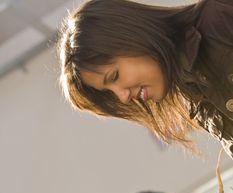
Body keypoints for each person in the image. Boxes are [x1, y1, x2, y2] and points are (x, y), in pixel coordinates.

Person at [58, 0, 233, 158]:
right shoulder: (195, 101)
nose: (123, 97)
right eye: (109, 92)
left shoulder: (221, 18)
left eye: (114, 76)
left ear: (134, 37)